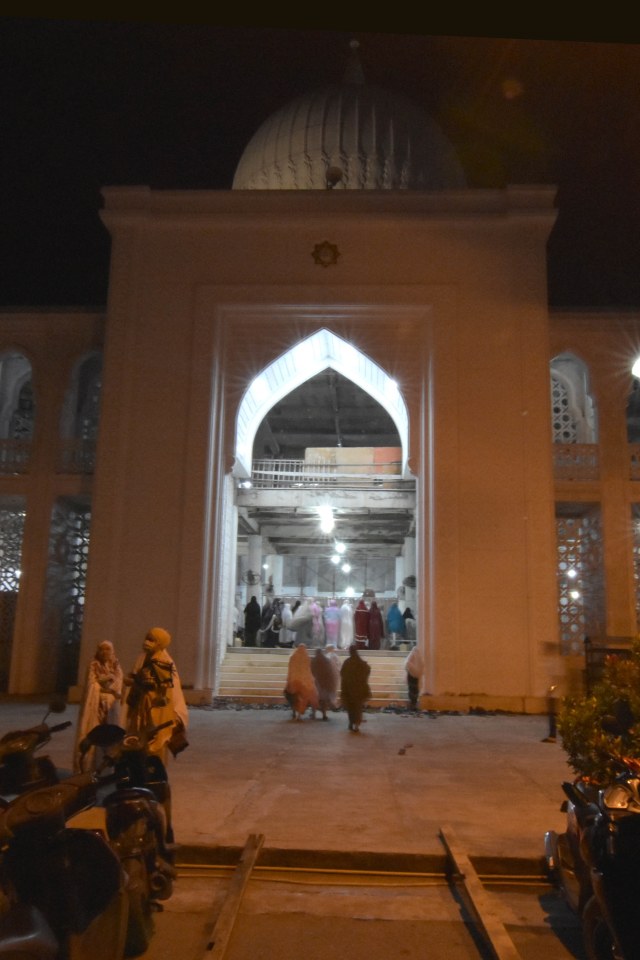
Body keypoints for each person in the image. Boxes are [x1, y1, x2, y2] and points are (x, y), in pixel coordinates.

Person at [122, 627, 189, 763]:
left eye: (151, 640)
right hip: (144, 707)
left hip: (156, 711)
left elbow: (164, 688)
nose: (146, 642)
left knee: (154, 744)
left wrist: (137, 683)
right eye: (146, 638)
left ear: (160, 643)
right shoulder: (145, 657)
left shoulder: (162, 661)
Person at [73, 640, 124, 772]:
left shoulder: (115, 663)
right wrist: (101, 685)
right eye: (102, 649)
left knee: (110, 733)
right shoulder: (93, 664)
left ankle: (109, 766)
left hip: (111, 704)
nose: (105, 652)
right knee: (94, 731)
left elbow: (118, 681)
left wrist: (111, 687)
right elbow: (91, 683)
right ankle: (90, 766)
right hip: (95, 705)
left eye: (108, 649)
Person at [340, 644, 371, 733]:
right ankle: (356, 725)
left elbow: (342, 674)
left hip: (348, 689)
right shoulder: (360, 662)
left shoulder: (347, 662)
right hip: (359, 690)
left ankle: (351, 722)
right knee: (357, 708)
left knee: (350, 708)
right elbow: (367, 670)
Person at [283, 644, 319, 720]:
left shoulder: (293, 657)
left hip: (294, 681)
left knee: (294, 697)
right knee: (307, 697)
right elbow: (308, 670)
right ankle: (303, 714)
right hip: (305, 681)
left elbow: (290, 670)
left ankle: (294, 713)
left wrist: (289, 680)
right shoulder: (307, 657)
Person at [310, 646, 339, 720]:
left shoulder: (313, 660)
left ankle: (313, 714)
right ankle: (324, 715)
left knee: (314, 699)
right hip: (325, 683)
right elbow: (330, 672)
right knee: (324, 700)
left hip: (317, 682)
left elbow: (311, 671)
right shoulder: (326, 660)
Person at [404, 644, 424, 710]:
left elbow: (407, 664)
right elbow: (421, 667)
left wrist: (410, 669)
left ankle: (413, 704)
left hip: (412, 676)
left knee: (412, 689)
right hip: (415, 676)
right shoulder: (419, 659)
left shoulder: (411, 657)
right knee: (414, 690)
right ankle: (413, 704)